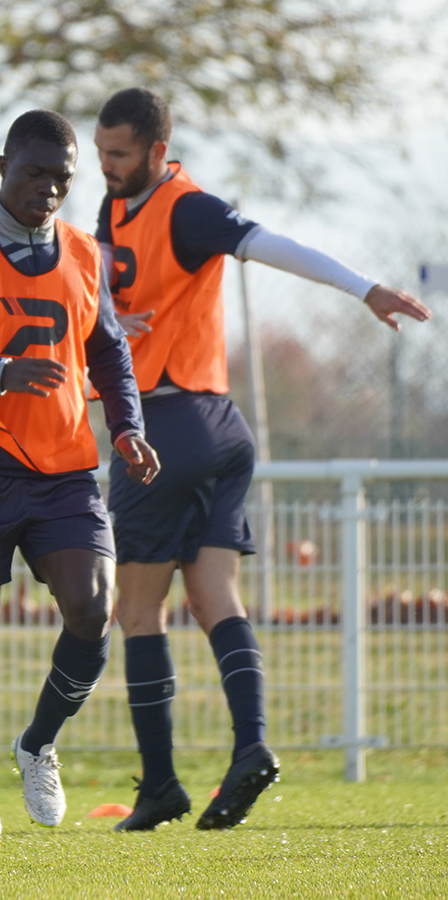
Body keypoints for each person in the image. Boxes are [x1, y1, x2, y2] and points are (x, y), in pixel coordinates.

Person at [93, 87, 432, 831]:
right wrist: (109, 314)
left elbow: (270, 244)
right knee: (215, 596)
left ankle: (160, 785)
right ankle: (251, 746)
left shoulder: (187, 208)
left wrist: (364, 289)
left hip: (164, 426)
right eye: (101, 153)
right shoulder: (115, 210)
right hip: (221, 426)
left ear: (157, 151)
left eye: (120, 154)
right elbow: (95, 287)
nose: (107, 166)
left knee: (138, 610)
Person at [0, 110, 158, 841]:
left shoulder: (84, 253)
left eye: (62, 178)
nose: (48, 188)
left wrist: (128, 426)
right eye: (34, 172)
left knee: (93, 608)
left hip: (66, 470)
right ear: (3, 169)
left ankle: (38, 743)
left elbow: (108, 352)